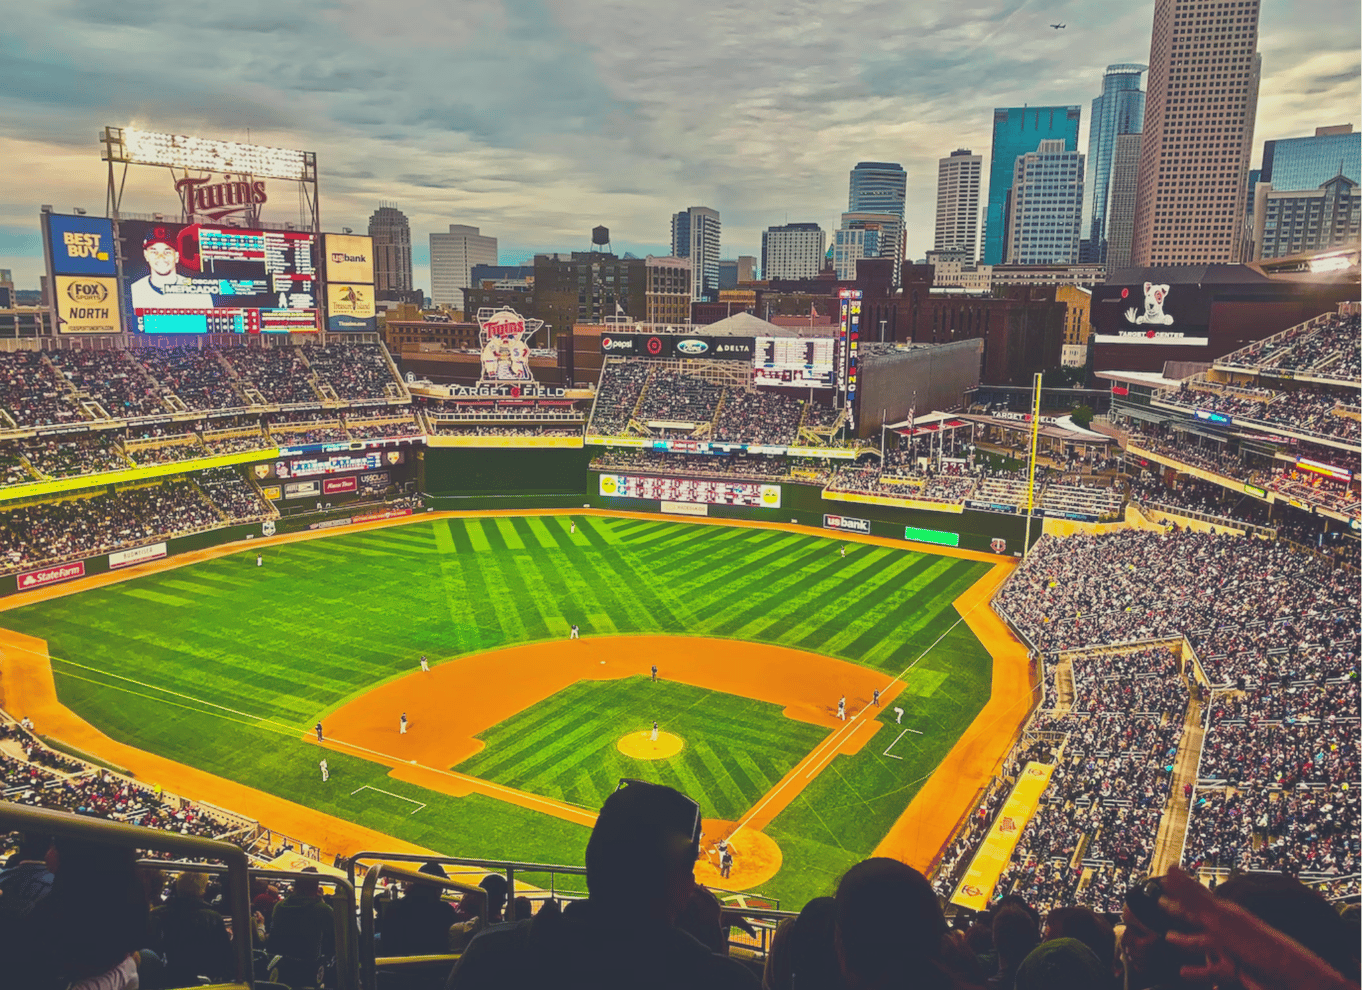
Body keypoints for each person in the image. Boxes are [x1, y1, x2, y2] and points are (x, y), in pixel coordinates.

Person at [448, 780, 757, 989]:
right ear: (682, 891)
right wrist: (711, 941)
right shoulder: (724, 980)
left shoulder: (488, 954)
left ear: (592, 859)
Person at [150, 870, 233, 987]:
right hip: (203, 981)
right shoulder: (213, 918)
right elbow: (224, 958)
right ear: (204, 889)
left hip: (163, 981)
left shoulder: (157, 914)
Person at [267, 870, 335, 990]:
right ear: (316, 888)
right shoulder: (322, 909)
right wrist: (321, 900)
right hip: (309, 971)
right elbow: (336, 940)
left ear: (296, 886)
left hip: (280, 969)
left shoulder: (279, 906)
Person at [381, 862, 457, 958]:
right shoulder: (445, 911)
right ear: (437, 888)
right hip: (431, 969)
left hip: (394, 967)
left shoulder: (395, 906)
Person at [129, 227, 215, 311]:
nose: (161, 257)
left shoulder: (199, 294)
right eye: (154, 252)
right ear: (146, 255)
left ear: (177, 256)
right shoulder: (135, 291)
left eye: (167, 252)